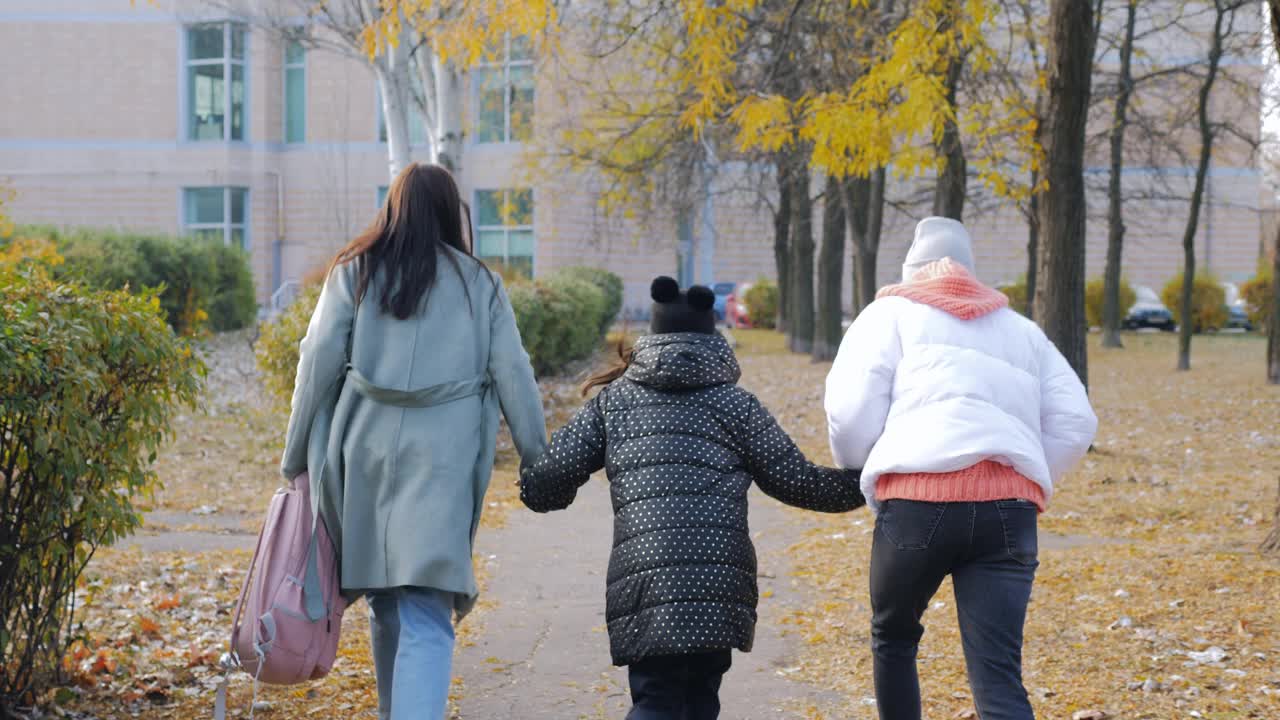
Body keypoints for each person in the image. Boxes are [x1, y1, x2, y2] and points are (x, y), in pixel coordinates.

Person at [520, 276, 865, 720]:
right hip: (719, 582)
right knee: (701, 698)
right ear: (713, 335)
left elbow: (547, 478)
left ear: (651, 336)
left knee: (655, 698)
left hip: (644, 580)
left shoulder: (615, 402)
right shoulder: (735, 404)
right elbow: (798, 481)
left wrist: (540, 491)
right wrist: (870, 481)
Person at [278, 163, 547, 720]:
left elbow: (317, 359)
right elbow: (514, 373)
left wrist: (295, 449)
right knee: (424, 607)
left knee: (386, 599)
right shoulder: (481, 284)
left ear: (393, 206)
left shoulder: (355, 272)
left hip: (366, 450)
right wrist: (538, 459)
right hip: (443, 459)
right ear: (453, 211)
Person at [824, 217, 1098, 720]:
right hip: (1008, 515)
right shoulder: (1022, 331)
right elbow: (1077, 420)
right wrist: (1027, 475)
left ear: (911, 272)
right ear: (971, 272)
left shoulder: (887, 316)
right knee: (998, 674)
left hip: (915, 505)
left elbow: (849, 411)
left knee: (894, 638)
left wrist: (861, 466)